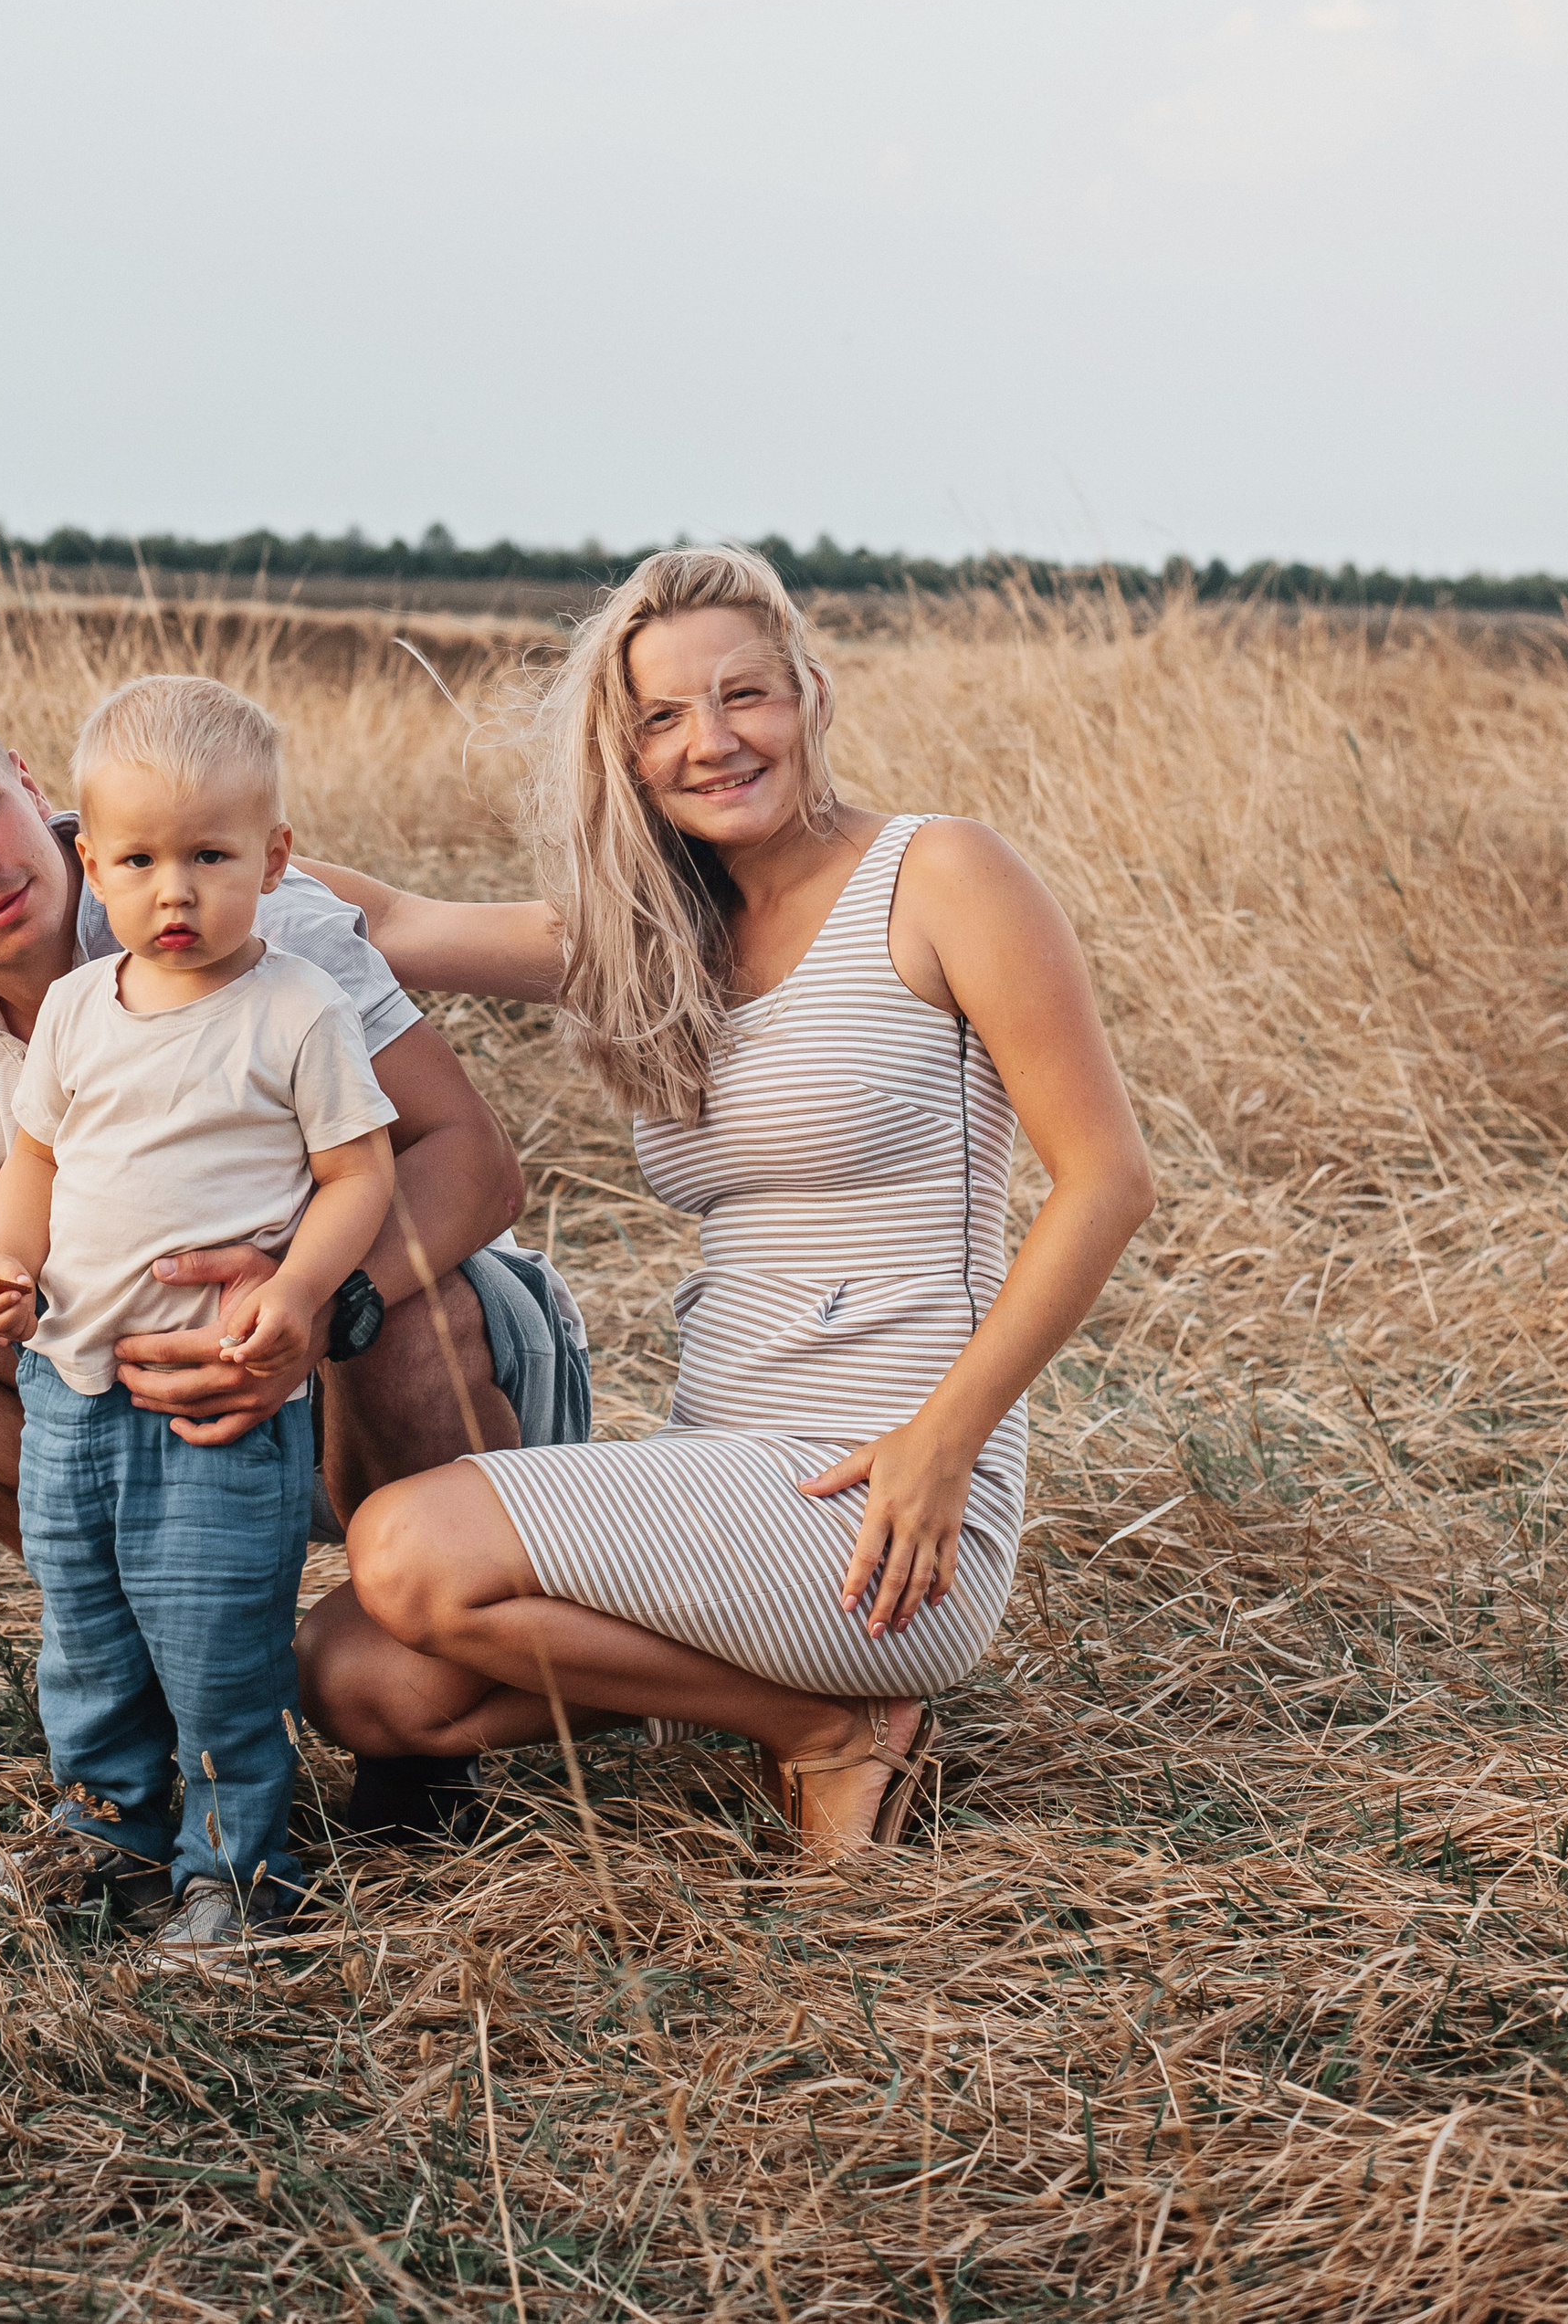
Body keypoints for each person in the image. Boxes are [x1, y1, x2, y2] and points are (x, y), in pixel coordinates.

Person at [295, 544, 1156, 1857]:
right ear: (627, 753)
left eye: (745, 694)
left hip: (893, 1499)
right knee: (355, 1675)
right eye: (662, 715)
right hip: (727, 1472)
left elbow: (1107, 1182)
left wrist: (944, 1441)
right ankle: (814, 1710)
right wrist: (108, 851)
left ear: (812, 692)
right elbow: (385, 920)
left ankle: (827, 1730)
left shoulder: (942, 876)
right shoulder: (647, 936)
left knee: (406, 1545)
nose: (712, 739)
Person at [0, 667, 589, 1846]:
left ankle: (421, 1725)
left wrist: (320, 1299)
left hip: (416, 1349)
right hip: (156, 1389)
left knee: (412, 1301)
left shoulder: (257, 920)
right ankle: (159, 1647)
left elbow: (474, 1163)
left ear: (27, 783)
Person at [0, 676, 396, 1962]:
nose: (175, 891)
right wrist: (7, 1263)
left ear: (270, 858)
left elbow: (360, 1176)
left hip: (217, 1393)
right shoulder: (80, 1010)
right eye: (140, 858)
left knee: (217, 1635)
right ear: (88, 858)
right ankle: (104, 1826)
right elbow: (37, 1155)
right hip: (70, 1386)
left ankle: (239, 1869)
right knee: (84, 1623)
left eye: (211, 856)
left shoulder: (295, 1010)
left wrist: (299, 1290)